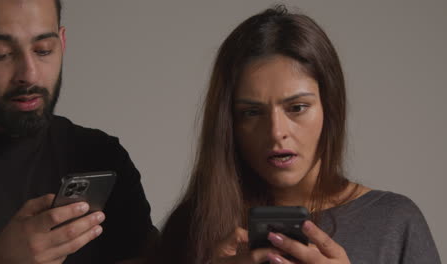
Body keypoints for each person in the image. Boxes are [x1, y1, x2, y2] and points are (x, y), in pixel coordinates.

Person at [152, 5, 441, 264]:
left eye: (297, 107)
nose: (277, 132)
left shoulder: (393, 222)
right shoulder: (191, 226)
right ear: (229, 124)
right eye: (252, 113)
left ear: (331, 107)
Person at [0, 0, 156, 263]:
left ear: (62, 43)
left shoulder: (102, 153)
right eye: (1, 54)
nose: (29, 74)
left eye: (43, 50)